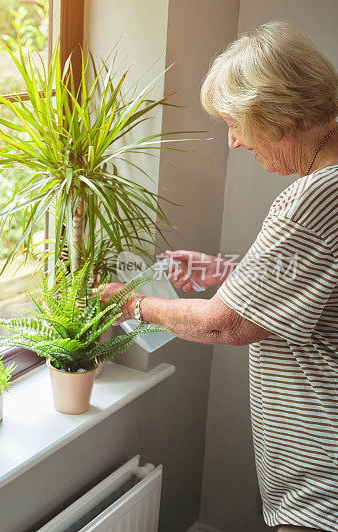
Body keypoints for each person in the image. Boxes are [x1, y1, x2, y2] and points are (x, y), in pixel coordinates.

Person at [100, 21, 338, 532]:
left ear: (275, 113)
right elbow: (323, 279)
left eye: (236, 122)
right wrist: (229, 270)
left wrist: (131, 304)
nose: (232, 141)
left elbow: (224, 325)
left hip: (323, 478)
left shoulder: (313, 197)